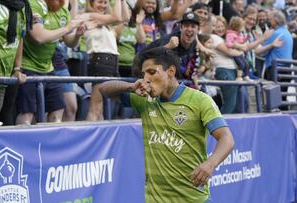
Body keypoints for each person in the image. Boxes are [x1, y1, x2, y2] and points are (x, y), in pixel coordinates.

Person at [98, 47, 235, 203]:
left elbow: (226, 138)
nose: (146, 79)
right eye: (143, 74)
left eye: (152, 72)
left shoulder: (199, 100)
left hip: (194, 198)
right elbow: (103, 89)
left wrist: (210, 164)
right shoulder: (144, 99)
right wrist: (130, 87)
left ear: (170, 71)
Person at [15, 0, 86, 125]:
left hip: (49, 69)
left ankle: (52, 143)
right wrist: (68, 28)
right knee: (28, 115)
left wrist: (77, 35)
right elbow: (39, 37)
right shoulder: (33, 5)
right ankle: (24, 143)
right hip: (28, 68)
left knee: (58, 111)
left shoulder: (63, 10)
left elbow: (69, 42)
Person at [226, 16, 251, 81]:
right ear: (236, 26)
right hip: (235, 53)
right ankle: (239, 77)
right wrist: (235, 45)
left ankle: (245, 76)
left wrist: (246, 38)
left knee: (246, 64)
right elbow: (228, 44)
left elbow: (242, 42)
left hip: (240, 53)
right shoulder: (230, 34)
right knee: (241, 64)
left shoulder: (239, 34)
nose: (243, 28)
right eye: (241, 26)